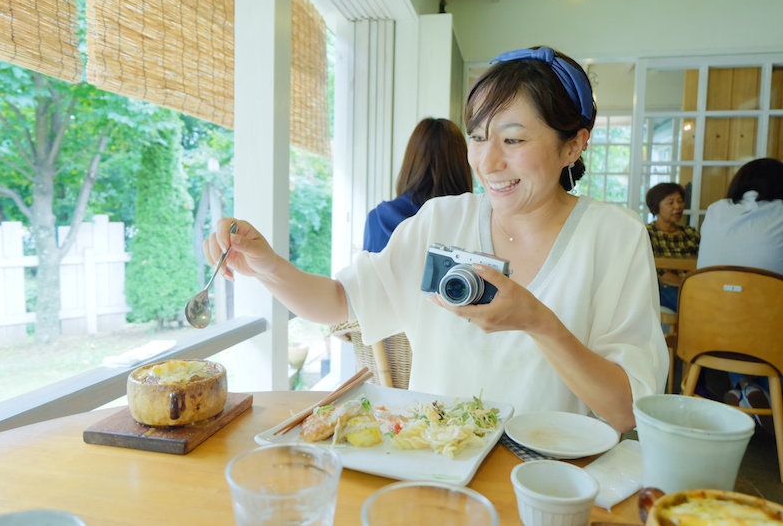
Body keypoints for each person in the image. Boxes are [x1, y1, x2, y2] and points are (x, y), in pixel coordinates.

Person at [203, 45, 668, 434]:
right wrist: (264, 262)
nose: (487, 161)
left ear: (573, 144)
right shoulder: (441, 219)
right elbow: (338, 302)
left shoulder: (613, 237)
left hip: (546, 487)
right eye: (479, 136)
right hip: (435, 468)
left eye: (514, 140)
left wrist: (538, 322)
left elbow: (627, 413)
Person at [697, 157, 783, 432]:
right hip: (767, 336)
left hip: (707, 331)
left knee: (736, 308)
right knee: (762, 315)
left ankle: (744, 387)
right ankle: (771, 396)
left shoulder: (715, 210)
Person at [363, 118, 474, 253]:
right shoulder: (471, 222)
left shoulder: (378, 219)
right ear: (462, 166)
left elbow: (367, 274)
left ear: (411, 162)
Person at [645, 182, 700, 312]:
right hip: (664, 287)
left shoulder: (690, 233)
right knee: (695, 307)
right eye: (670, 203)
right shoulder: (647, 233)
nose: (678, 206)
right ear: (655, 206)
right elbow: (654, 272)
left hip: (695, 285)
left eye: (680, 201)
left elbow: (705, 261)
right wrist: (686, 283)